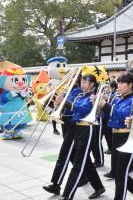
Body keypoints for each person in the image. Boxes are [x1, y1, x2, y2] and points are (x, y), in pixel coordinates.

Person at [43, 72, 105, 200]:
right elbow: (72, 110)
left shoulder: (93, 97)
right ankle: (98, 187)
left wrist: (65, 103)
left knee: (78, 164)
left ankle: (67, 195)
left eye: (85, 82)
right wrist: (59, 104)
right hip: (74, 127)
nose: (82, 85)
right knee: (73, 157)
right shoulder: (80, 96)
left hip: (86, 129)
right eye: (81, 82)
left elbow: (83, 110)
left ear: (92, 84)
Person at [100, 72, 133, 200]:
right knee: (118, 173)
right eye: (118, 83)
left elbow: (121, 115)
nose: (119, 85)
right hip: (116, 137)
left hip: (126, 137)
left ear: (130, 85)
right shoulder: (118, 98)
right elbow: (110, 116)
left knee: (120, 174)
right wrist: (100, 106)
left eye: (122, 83)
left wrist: (106, 105)